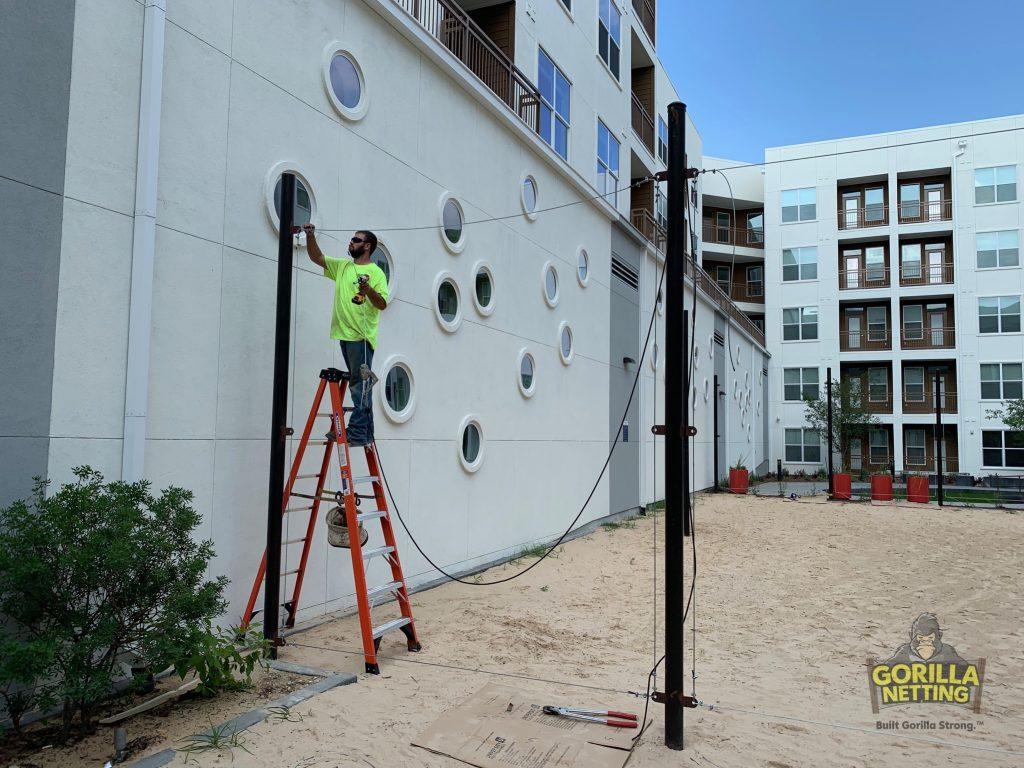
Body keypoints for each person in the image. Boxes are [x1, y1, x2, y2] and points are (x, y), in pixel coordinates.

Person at [303, 223, 389, 546]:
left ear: (368, 247)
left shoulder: (376, 273)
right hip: (345, 334)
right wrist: (310, 236)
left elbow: (382, 304)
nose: (351, 242)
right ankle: (362, 432)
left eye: (357, 240)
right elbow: (317, 258)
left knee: (360, 387)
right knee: (357, 384)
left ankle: (356, 432)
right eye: (352, 239)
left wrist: (368, 290)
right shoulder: (342, 267)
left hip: (362, 338)